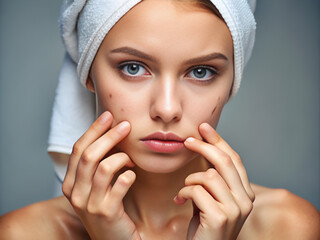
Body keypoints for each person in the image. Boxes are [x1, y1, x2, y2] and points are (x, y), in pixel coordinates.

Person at [0, 0, 319, 239]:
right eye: (133, 67)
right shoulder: (21, 234)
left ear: (231, 82)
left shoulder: (287, 227)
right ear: (89, 75)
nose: (167, 109)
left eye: (201, 72)